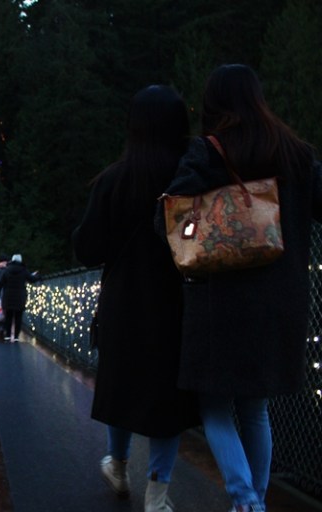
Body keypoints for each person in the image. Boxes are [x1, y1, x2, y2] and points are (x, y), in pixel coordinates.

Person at [156, 64, 322, 512]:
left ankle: (244, 498)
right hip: (282, 302)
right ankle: (256, 502)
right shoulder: (297, 154)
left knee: (214, 408)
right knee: (255, 410)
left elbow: (170, 219)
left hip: (220, 302)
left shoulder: (206, 152)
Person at [72, 85, 200, 511]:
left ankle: (119, 466)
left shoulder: (113, 180)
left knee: (121, 386)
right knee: (169, 400)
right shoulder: (191, 177)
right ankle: (158, 494)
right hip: (180, 302)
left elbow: (87, 248)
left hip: (124, 303)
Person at [0, 254, 38, 342]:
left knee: (8, 316)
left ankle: (7, 335)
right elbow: (31, 279)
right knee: (18, 317)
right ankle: (16, 337)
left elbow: (0, 283)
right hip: (20, 297)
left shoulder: (7, 270)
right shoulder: (24, 270)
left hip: (8, 297)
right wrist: (38, 277)